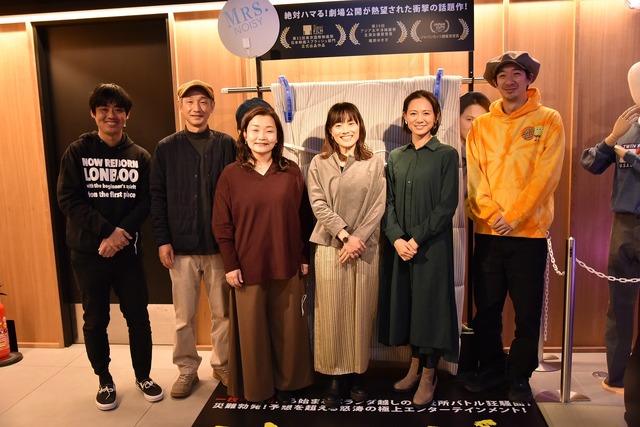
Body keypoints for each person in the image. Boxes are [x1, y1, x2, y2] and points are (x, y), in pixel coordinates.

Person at [464, 51, 565, 402]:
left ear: (528, 78)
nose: (509, 80)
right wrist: (493, 214)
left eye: (516, 73)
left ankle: (520, 376)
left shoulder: (548, 120)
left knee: (527, 313)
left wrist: (515, 215)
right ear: (495, 82)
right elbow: (475, 177)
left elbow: (547, 176)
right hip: (488, 233)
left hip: (529, 235)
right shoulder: (481, 125)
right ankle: (491, 369)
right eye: (503, 75)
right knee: (487, 310)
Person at [57, 83, 163, 410]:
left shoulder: (140, 156)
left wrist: (120, 235)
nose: (111, 115)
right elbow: (68, 199)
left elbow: (146, 202)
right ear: (94, 113)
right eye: (104, 109)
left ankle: (143, 376)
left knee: (138, 317)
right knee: (95, 319)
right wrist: (106, 232)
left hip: (127, 253)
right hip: (88, 254)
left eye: (118, 109)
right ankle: (104, 379)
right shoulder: (77, 152)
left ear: (127, 115)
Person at [212, 106, 314, 404]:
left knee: (288, 330)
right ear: (244, 134)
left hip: (286, 261)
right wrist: (230, 264)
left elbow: (303, 218)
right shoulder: (231, 175)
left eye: (269, 130)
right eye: (255, 130)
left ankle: (288, 383)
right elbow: (221, 224)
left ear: (277, 136)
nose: (262, 136)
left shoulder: (291, 170)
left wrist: (303, 256)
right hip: (247, 267)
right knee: (253, 332)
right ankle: (258, 388)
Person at [150, 79, 236, 399]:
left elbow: (237, 194)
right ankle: (186, 368)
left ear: (211, 106)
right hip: (181, 247)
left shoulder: (227, 144)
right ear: (180, 106)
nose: (196, 108)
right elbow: (157, 195)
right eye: (189, 102)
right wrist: (163, 239)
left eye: (202, 102)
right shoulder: (166, 147)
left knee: (223, 313)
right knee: (183, 317)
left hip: (219, 247)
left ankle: (222, 364)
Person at [379, 90, 460, 409]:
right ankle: (414, 366)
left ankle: (429, 375)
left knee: (431, 309)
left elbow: (447, 205)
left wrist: (415, 239)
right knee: (408, 307)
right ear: (405, 118)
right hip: (400, 248)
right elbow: (387, 203)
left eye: (427, 113)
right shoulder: (396, 157)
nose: (420, 119)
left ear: (437, 118)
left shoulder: (447, 154)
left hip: (431, 248)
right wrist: (397, 238)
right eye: (413, 113)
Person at [307, 102, 386, 408]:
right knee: (331, 312)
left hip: (364, 248)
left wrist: (357, 239)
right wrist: (343, 235)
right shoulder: (319, 163)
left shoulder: (374, 162)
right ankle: (333, 377)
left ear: (359, 126)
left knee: (361, 311)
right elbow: (318, 203)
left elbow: (378, 205)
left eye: (351, 123)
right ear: (330, 130)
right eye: (338, 124)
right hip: (331, 246)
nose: (345, 130)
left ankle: (357, 374)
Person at [580, 61, 640, 395]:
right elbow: (590, 163)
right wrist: (613, 137)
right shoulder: (627, 129)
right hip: (623, 224)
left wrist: (629, 158)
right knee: (618, 305)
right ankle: (616, 376)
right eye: (635, 84)